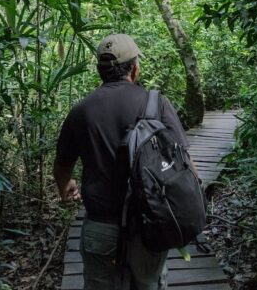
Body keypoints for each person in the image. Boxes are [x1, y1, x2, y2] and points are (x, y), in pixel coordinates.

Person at [53, 33, 191, 290]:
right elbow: (185, 163)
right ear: (135, 69)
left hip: (100, 227)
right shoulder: (156, 104)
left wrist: (66, 186)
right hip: (148, 227)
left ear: (99, 70)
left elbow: (62, 166)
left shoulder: (81, 111)